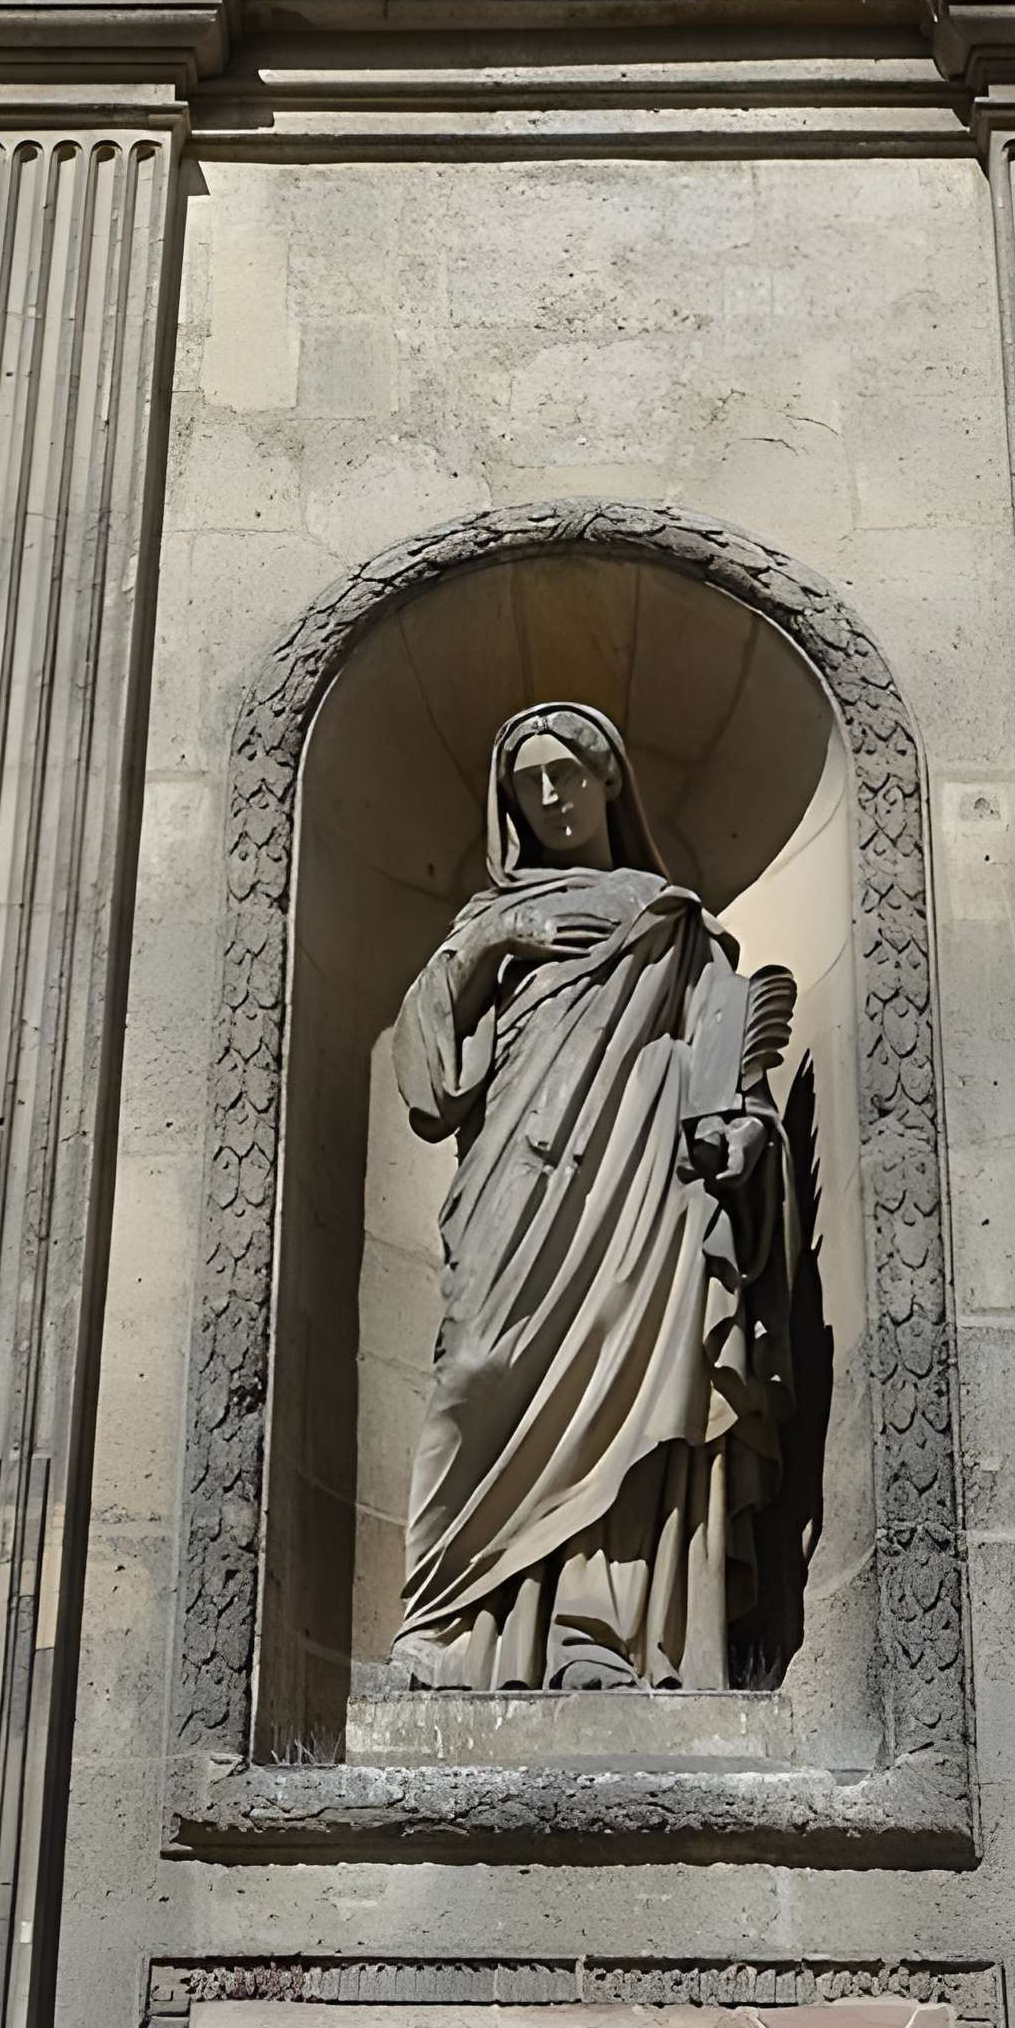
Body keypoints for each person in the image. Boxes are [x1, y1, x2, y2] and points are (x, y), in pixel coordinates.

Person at [390, 699, 797, 1690]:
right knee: (479, 1366)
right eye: (527, 784)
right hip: (515, 1180)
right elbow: (428, 1083)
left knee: (632, 1364)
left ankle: (593, 1627)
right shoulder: (485, 922)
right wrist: (497, 943)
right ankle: (455, 1619)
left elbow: (724, 1043)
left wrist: (741, 1121)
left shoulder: (670, 915)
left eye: (565, 774)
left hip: (638, 1180)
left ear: (608, 778)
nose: (548, 797)